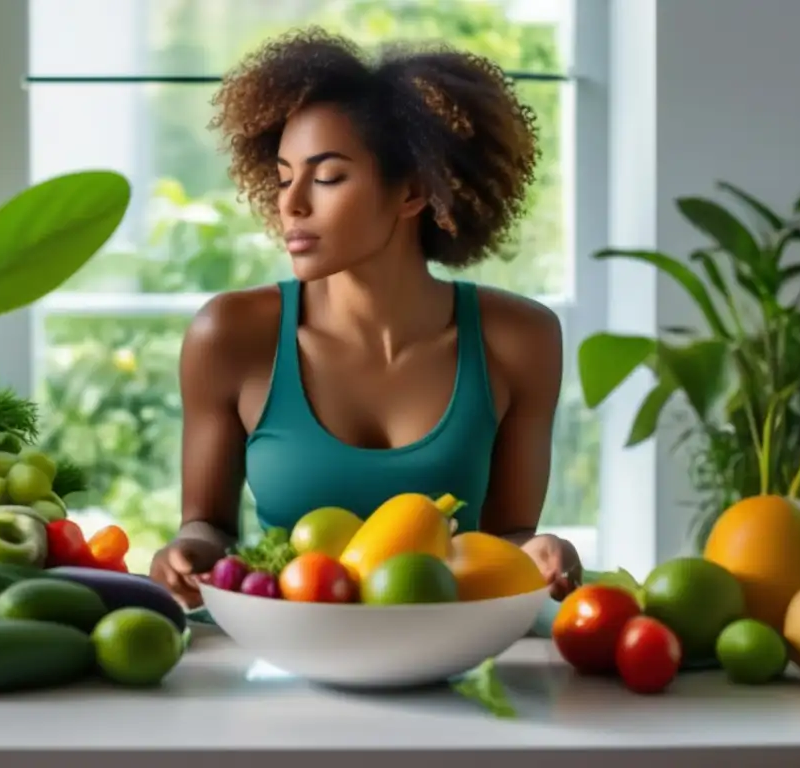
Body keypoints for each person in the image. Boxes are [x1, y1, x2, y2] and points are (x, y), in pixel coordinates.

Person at [149, 27, 582, 610]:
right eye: (283, 177)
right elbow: (207, 525)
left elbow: (508, 540)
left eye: (327, 177)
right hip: (286, 656)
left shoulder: (521, 339)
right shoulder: (229, 335)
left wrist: (544, 552)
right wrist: (187, 552)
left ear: (412, 193)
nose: (291, 203)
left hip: (456, 659)